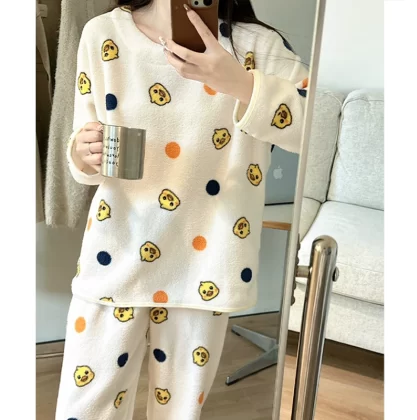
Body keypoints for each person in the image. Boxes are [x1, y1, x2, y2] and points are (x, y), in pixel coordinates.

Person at [56, 1, 308, 419]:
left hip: (206, 265)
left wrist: (242, 84)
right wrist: (82, 154)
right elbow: (86, 146)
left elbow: (317, 128)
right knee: (84, 409)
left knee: (179, 413)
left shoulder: (256, 46)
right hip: (115, 252)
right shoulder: (103, 34)